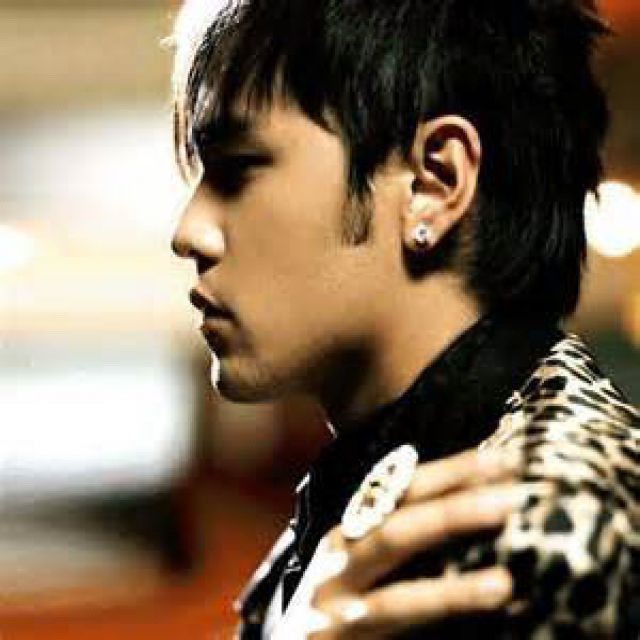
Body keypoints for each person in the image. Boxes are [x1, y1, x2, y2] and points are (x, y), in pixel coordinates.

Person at [169, 0, 640, 637]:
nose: (189, 232)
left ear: (433, 182)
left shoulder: (551, 534)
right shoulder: (379, 482)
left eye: (236, 169)